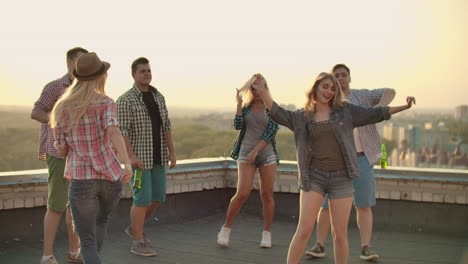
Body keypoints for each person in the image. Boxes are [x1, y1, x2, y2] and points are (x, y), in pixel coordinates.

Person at [253, 72, 415, 264]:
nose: (329, 91)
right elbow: (279, 113)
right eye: (325, 86)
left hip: (342, 178)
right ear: (315, 88)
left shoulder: (345, 111)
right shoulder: (302, 116)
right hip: (314, 178)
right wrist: (262, 91)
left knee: (339, 234)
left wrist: (404, 106)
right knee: (304, 230)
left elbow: (376, 113)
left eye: (332, 88)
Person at [306, 64, 395, 261]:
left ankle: (365, 249)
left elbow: (390, 91)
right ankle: (319, 245)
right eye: (336, 76)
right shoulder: (328, 103)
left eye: (343, 75)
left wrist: (374, 110)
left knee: (363, 205)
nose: (340, 79)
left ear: (349, 78)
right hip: (336, 163)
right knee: (326, 206)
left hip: (362, 158)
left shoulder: (361, 96)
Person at [50, 52, 133, 264]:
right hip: (110, 177)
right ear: (100, 76)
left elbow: (62, 150)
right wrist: (127, 164)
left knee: (86, 240)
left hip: (81, 179)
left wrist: (71, 144)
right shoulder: (106, 102)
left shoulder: (62, 107)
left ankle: (90, 257)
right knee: (101, 222)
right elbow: (113, 132)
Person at [31, 47, 88, 264]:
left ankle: (74, 252)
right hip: (57, 152)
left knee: (74, 205)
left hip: (79, 153)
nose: (84, 65)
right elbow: (36, 112)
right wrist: (59, 124)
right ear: (70, 62)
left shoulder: (86, 89)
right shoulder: (55, 86)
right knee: (56, 204)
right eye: (81, 61)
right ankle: (47, 256)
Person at [116, 57, 176, 257]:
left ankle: (135, 228)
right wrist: (130, 156)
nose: (147, 74)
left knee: (157, 197)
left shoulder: (158, 97)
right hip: (139, 161)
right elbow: (121, 130)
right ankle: (138, 240)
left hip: (158, 158)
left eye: (149, 70)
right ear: (133, 75)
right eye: (142, 71)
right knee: (141, 199)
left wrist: (172, 152)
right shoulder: (125, 100)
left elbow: (166, 126)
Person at [217, 74, 280, 248]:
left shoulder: (272, 108)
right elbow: (237, 126)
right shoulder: (246, 107)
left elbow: (272, 131)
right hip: (245, 153)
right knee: (242, 193)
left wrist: (256, 150)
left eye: (260, 87)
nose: (257, 90)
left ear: (265, 88)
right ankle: (226, 229)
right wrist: (238, 105)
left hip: (267, 154)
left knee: (267, 194)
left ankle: (266, 233)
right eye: (254, 87)